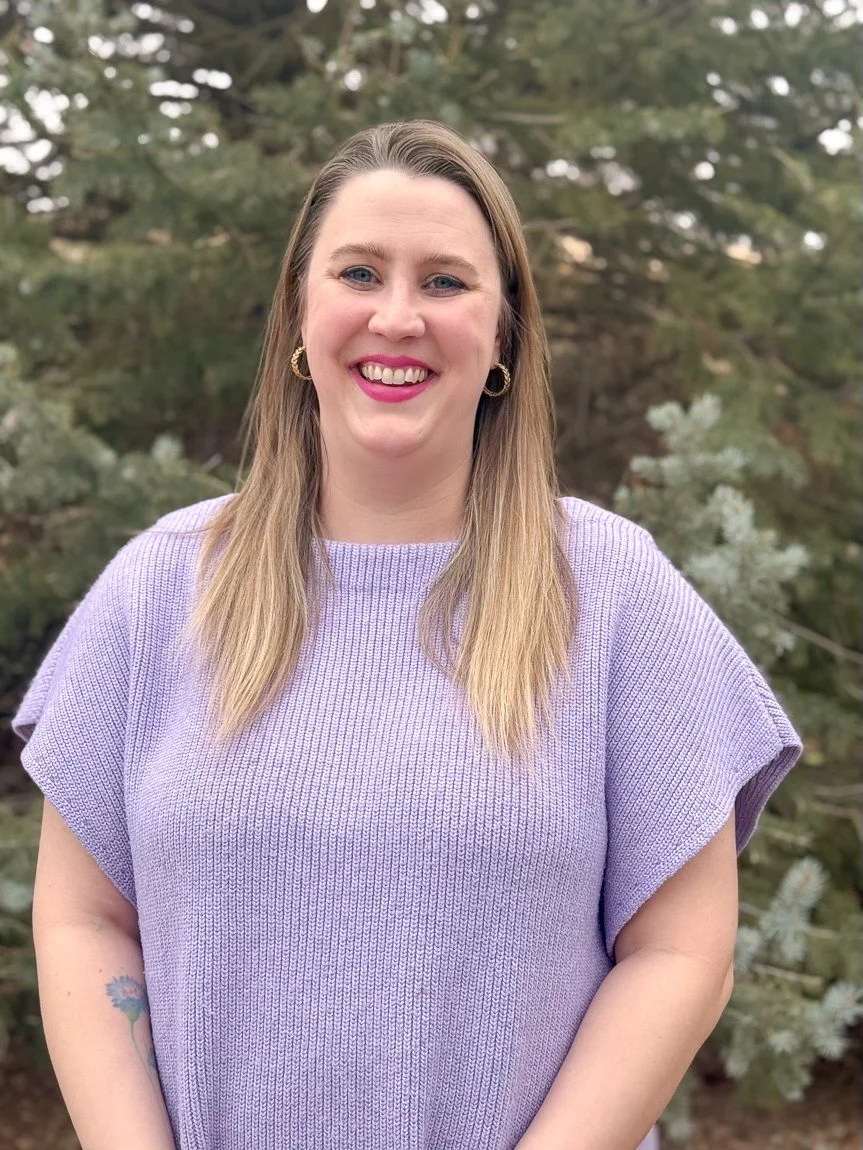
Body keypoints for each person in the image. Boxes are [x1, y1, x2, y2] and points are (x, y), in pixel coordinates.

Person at [13, 119, 803, 1150]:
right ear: (300, 315)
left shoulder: (611, 593)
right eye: (357, 272)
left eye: (443, 282)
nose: (397, 316)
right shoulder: (162, 588)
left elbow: (680, 948)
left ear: (502, 334)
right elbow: (84, 920)